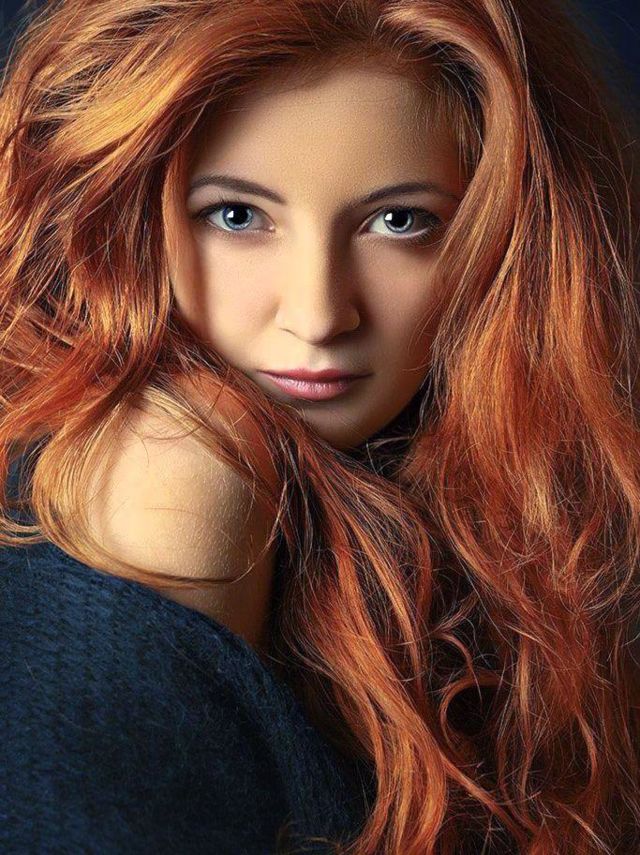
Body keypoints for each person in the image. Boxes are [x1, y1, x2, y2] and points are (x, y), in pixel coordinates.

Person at [0, 0, 638, 853]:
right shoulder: (175, 464)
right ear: (116, 214)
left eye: (399, 221)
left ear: (507, 242)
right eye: (236, 215)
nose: (319, 314)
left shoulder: (515, 494)